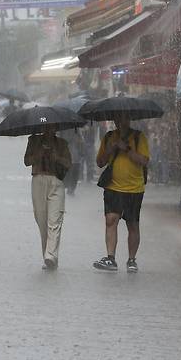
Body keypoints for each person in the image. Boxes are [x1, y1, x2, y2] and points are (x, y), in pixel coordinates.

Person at [93, 112, 149, 273]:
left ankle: (132, 259)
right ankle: (110, 258)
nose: (120, 122)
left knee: (132, 224)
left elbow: (144, 161)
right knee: (111, 220)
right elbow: (100, 162)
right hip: (113, 187)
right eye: (117, 119)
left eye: (124, 118)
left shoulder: (139, 137)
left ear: (129, 119)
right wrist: (111, 148)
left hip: (134, 188)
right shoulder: (109, 137)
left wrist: (127, 150)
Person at [24, 126, 71, 270]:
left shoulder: (62, 143)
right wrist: (40, 153)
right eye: (46, 127)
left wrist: (56, 157)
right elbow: (27, 161)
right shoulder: (34, 140)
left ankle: (50, 255)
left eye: (52, 127)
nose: (50, 130)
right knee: (42, 220)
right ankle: (48, 255)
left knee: (54, 220)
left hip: (56, 182)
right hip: (38, 180)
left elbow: (69, 163)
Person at [60, 129, 84, 196]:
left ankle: (71, 189)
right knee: (70, 173)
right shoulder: (63, 129)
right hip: (67, 155)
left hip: (75, 156)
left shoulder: (77, 130)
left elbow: (81, 141)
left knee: (74, 173)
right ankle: (69, 188)